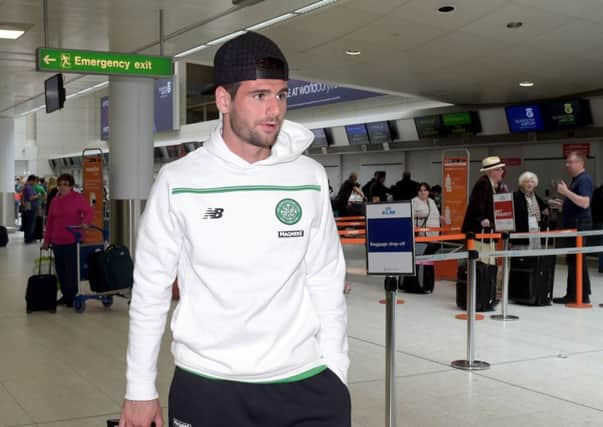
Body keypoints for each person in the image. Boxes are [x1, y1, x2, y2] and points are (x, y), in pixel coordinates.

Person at [119, 32, 350, 427]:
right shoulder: (180, 181)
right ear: (224, 100)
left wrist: (337, 372)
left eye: (281, 95)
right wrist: (140, 389)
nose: (274, 109)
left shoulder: (308, 176)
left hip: (306, 382)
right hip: (209, 386)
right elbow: (150, 290)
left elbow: (326, 280)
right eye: (259, 95)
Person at [42, 173, 93, 307]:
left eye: (66, 184)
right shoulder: (55, 201)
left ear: (71, 186)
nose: (62, 187)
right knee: (61, 270)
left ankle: (72, 295)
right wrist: (46, 240)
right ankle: (66, 294)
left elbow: (88, 211)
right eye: (60, 184)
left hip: (72, 240)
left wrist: (85, 222)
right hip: (57, 240)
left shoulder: (77, 198)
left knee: (71, 270)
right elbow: (50, 221)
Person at [550, 152, 593, 304]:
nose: (567, 165)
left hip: (579, 224)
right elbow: (577, 204)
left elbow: (585, 203)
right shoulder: (577, 180)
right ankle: (577, 293)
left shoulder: (584, 180)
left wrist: (566, 192)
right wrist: (562, 204)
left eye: (570, 162)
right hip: (574, 223)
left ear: (580, 163)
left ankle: (578, 294)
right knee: (574, 259)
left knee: (576, 259)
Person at [512, 171, 549, 249]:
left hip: (535, 230)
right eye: (527, 182)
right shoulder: (515, 196)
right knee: (523, 256)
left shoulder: (535, 196)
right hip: (522, 231)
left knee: (535, 255)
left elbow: (545, 209)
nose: (529, 184)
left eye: (532, 182)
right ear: (521, 183)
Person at [21, 175, 40, 244]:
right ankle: (29, 239)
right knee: (31, 223)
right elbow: (30, 198)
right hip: (31, 207)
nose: (35, 183)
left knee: (29, 223)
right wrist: (37, 195)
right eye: (35, 181)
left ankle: (28, 238)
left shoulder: (28, 187)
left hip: (29, 206)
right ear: (31, 180)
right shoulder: (28, 187)